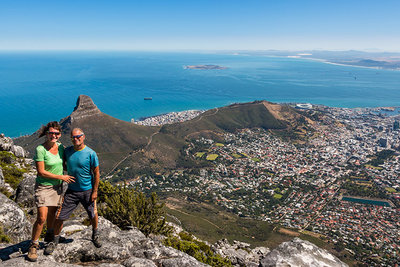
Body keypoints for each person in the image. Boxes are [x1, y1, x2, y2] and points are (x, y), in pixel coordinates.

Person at [45, 128, 101, 254]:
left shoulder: (91, 153)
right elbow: (62, 164)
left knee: (93, 213)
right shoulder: (68, 151)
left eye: (78, 136)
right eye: (73, 137)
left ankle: (95, 233)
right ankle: (54, 241)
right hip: (72, 191)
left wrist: (95, 191)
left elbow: (96, 173)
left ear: (83, 136)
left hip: (88, 190)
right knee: (59, 217)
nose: (76, 139)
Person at [27, 121, 75, 262]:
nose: (54, 135)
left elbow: (66, 164)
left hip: (57, 187)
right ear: (46, 134)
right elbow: (41, 172)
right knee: (41, 217)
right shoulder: (40, 149)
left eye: (56, 133)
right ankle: (33, 245)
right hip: (43, 187)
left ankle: (49, 236)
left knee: (53, 214)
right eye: (51, 133)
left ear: (60, 135)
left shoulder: (61, 147)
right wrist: (62, 177)